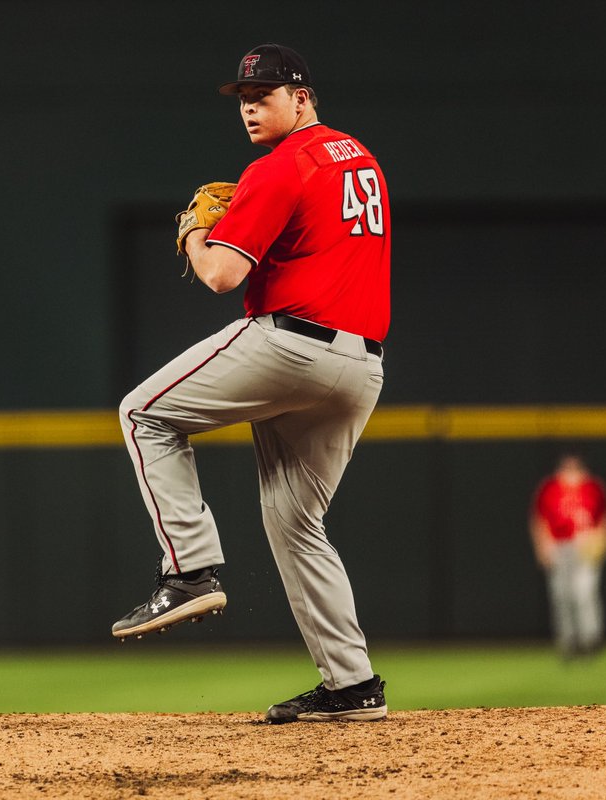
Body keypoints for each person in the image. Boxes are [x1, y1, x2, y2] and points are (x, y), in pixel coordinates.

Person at [112, 44, 391, 724]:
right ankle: (352, 686)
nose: (249, 106)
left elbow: (220, 276)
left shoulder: (279, 167)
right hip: (362, 367)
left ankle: (188, 574)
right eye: (244, 97)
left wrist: (194, 235)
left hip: (293, 344)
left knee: (143, 412)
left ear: (302, 98)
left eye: (263, 95)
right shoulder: (359, 157)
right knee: (296, 522)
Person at [529, 454, 606, 658]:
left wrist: (604, 541)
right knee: (561, 595)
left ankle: (590, 638)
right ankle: (568, 641)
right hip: (558, 545)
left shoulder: (593, 486)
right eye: (567, 467)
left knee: (584, 592)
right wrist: (541, 547)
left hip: (586, 543)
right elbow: (538, 519)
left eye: (574, 467)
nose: (571, 470)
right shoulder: (550, 487)